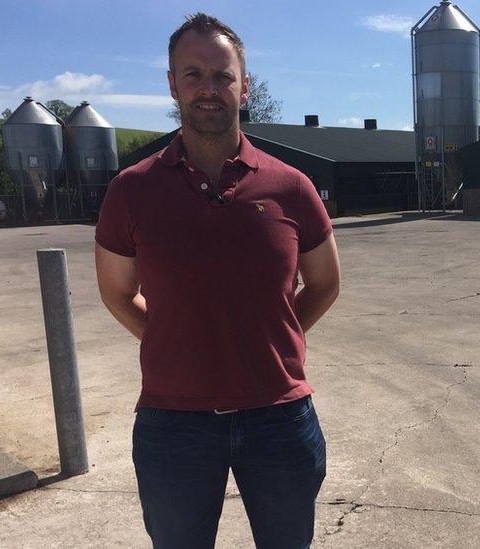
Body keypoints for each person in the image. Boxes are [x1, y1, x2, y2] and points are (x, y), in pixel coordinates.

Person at [94, 12, 340, 549]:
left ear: (244, 85)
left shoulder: (291, 187)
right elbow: (115, 290)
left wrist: (273, 335)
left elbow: (324, 282)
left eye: (222, 75)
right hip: (173, 422)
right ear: (172, 84)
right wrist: (168, 334)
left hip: (279, 417)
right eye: (193, 74)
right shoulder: (131, 190)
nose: (209, 88)